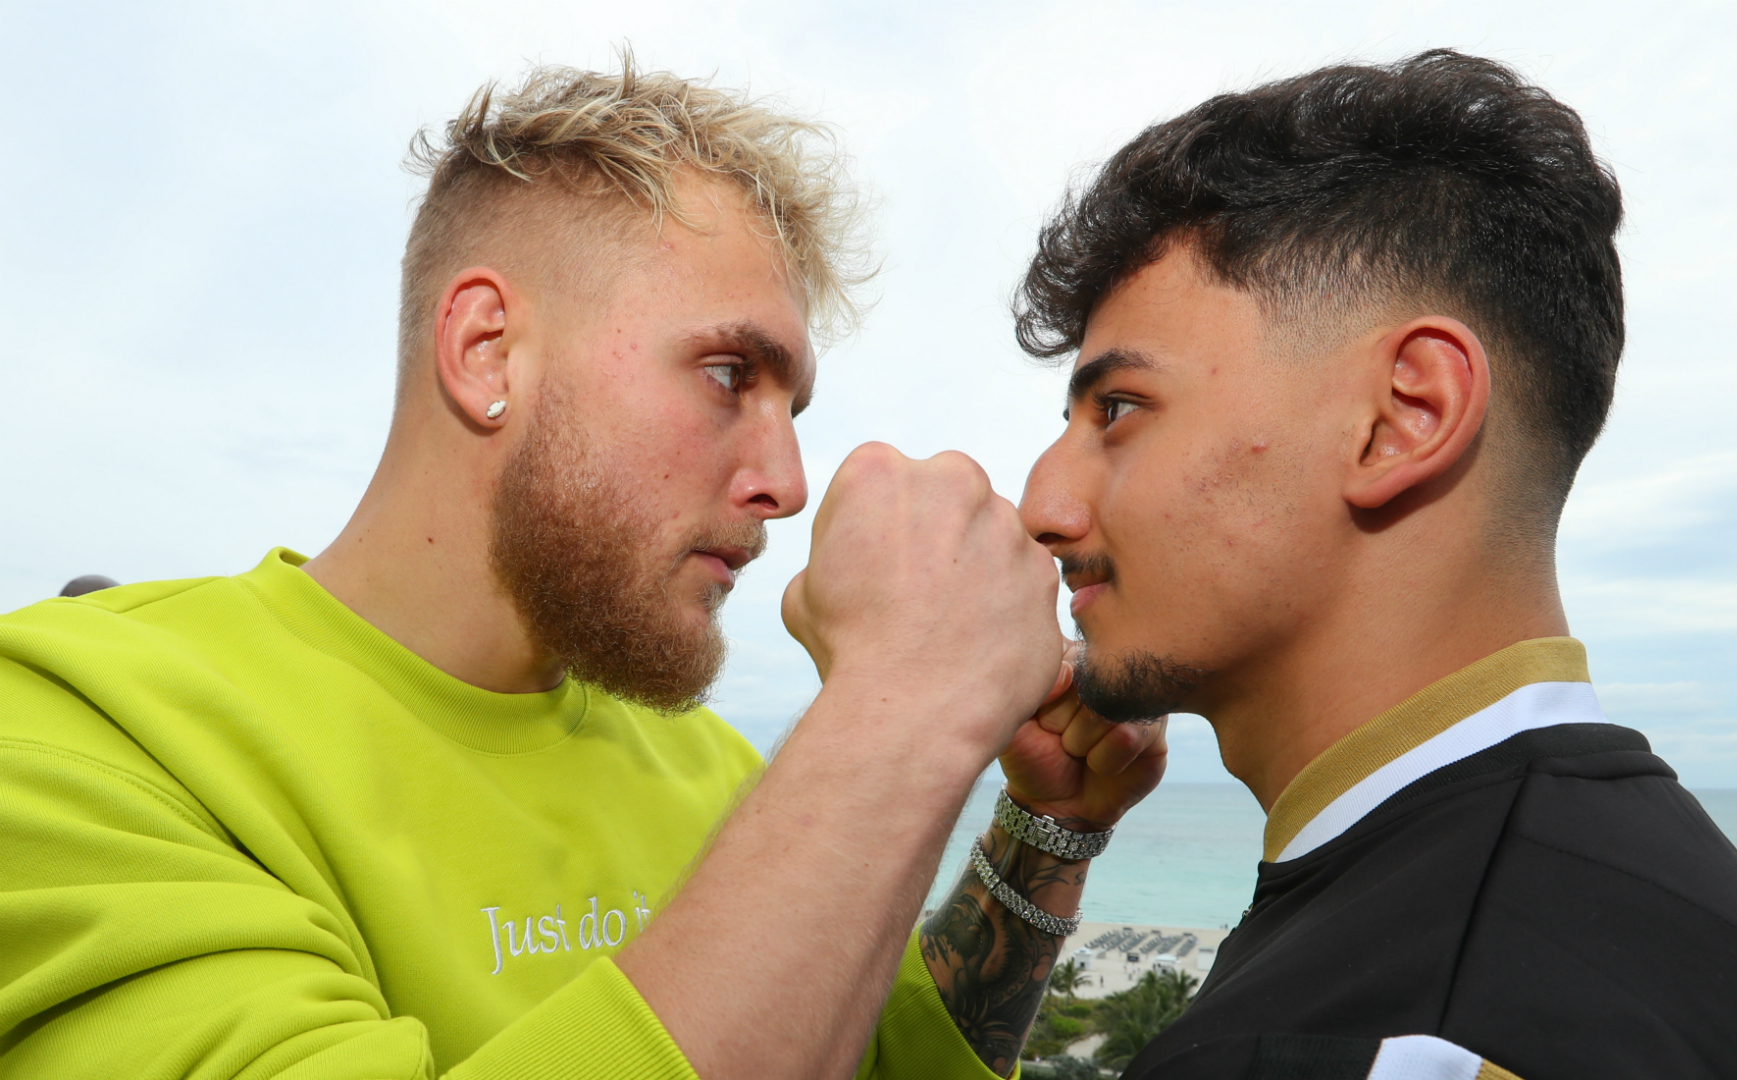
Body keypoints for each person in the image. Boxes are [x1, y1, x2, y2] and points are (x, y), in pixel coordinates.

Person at [0, 60, 1166, 1080]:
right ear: (486, 350)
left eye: (793, 405)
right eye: (727, 377)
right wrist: (907, 699)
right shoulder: (74, 738)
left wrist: (1042, 831)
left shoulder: (713, 769)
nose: (787, 480)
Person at [1012, 51, 1737, 1080]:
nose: (1043, 509)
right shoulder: (1656, 890)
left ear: (1402, 419)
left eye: (1119, 411)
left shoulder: (1387, 1039)